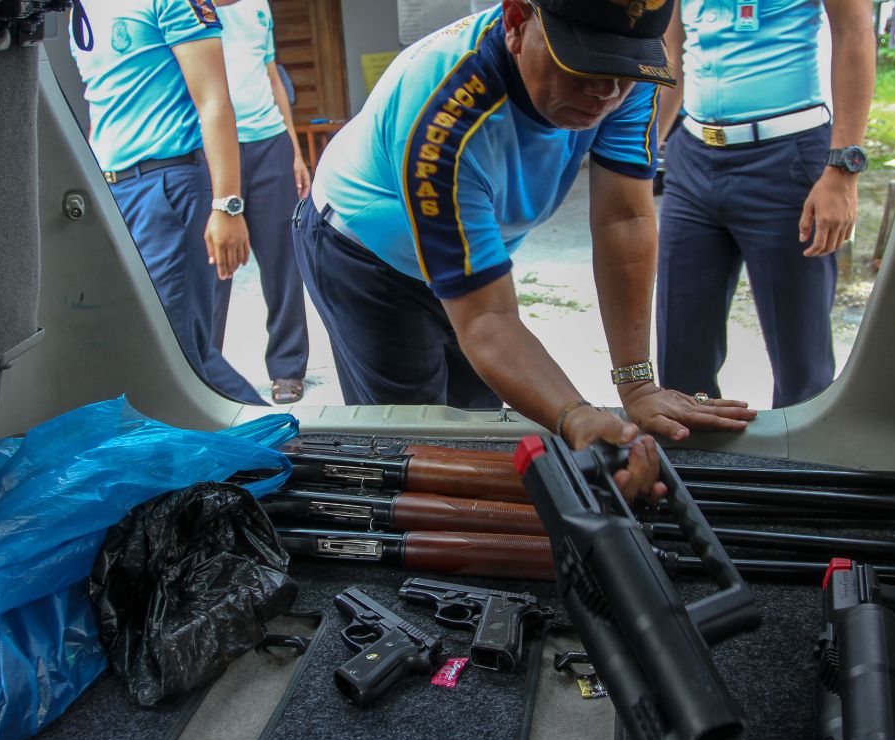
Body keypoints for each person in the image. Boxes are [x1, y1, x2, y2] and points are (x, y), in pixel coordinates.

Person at [295, 0, 756, 493]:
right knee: (414, 448)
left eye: (620, 71)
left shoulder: (632, 77)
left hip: (466, 242)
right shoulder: (444, 112)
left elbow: (623, 219)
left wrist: (637, 384)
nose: (604, 92)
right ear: (517, 22)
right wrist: (576, 416)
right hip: (366, 255)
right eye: (581, 63)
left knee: (476, 427)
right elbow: (487, 320)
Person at [655, 0, 875, 408]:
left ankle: (803, 468)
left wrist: (843, 170)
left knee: (800, 365)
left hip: (786, 159)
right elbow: (671, 53)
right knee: (680, 361)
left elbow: (855, 32)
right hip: (692, 156)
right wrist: (640, 151)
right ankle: (690, 466)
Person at [69, 0, 264, 405]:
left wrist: (228, 205)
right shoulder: (80, 12)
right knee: (142, 344)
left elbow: (214, 100)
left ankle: (284, 445)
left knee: (180, 354)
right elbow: (103, 107)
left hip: (167, 184)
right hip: (114, 191)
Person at [212, 0, 312, 404]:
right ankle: (204, 365)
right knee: (213, 266)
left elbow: (272, 78)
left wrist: (293, 151)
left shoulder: (257, 6)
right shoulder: (184, 6)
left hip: (268, 143)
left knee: (283, 263)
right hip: (215, 149)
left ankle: (288, 368)